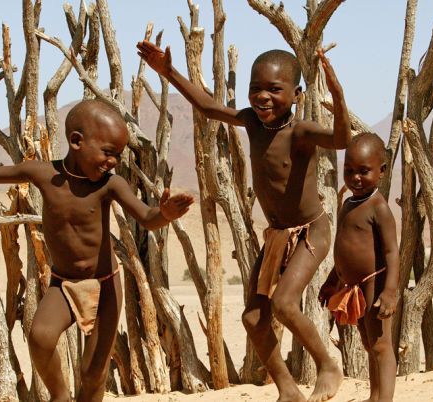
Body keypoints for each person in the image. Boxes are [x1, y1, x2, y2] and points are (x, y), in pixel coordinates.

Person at [0, 99, 194, 402]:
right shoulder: (44, 175)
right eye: (108, 153)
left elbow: (148, 219)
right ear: (76, 141)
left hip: (105, 285)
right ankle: (60, 397)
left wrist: (165, 215)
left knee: (93, 373)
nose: (113, 162)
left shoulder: (111, 185)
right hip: (64, 284)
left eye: (118, 155)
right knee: (40, 337)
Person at [138, 41, 350, 402]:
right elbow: (207, 106)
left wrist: (339, 98)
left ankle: (328, 366)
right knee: (254, 320)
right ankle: (288, 390)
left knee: (284, 304)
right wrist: (168, 72)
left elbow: (342, 139)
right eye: (256, 88)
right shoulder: (251, 122)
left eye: (274, 89)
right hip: (278, 236)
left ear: (297, 95)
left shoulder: (301, 132)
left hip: (311, 231)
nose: (262, 97)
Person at [320, 132, 399, 402]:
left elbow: (391, 251)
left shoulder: (379, 207)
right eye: (349, 170)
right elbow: (344, 248)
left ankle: (385, 399)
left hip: (374, 283)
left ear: (382, 171)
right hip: (353, 286)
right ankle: (375, 396)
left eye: (363, 171)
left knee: (381, 345)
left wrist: (390, 291)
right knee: (368, 344)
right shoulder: (348, 203)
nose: (355, 177)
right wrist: (333, 279)